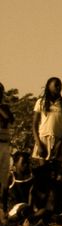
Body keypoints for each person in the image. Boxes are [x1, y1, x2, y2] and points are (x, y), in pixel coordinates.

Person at [33, 77, 62, 164]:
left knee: (57, 171)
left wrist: (60, 143)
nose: (59, 87)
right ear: (49, 86)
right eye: (56, 85)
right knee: (43, 171)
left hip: (59, 139)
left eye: (60, 85)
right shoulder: (40, 102)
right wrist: (38, 143)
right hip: (43, 139)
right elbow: (34, 125)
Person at [0, 84, 13, 212]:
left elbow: (8, 119)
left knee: (4, 179)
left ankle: (3, 209)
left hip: (4, 144)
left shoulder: (4, 107)